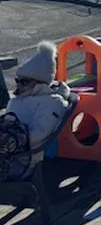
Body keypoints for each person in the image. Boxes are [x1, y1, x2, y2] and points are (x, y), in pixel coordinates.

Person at [3, 42, 73, 181]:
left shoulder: (52, 102)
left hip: (20, 161)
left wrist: (9, 136)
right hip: (7, 154)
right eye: (18, 81)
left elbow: (39, 135)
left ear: (40, 83)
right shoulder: (20, 99)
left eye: (24, 82)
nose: (19, 86)